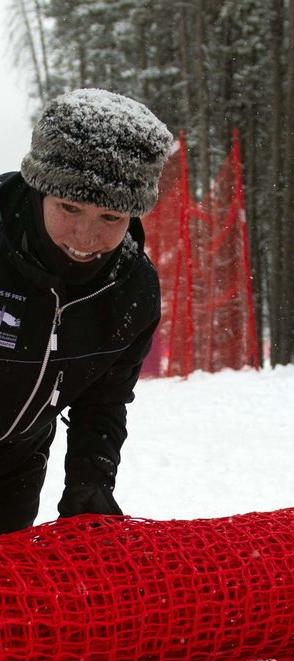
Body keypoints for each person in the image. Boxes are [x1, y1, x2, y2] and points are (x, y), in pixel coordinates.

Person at [0, 88, 173, 534]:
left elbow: (104, 398)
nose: (84, 235)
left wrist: (90, 482)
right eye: (70, 207)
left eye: (110, 217)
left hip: (14, 470)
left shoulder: (130, 292)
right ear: (40, 189)